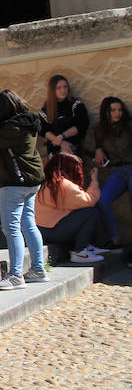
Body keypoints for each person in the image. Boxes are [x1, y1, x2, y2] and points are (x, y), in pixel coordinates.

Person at [0, 90, 47, 290]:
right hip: (31, 180)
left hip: (15, 182)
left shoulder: (13, 127)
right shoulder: (28, 122)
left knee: (12, 228)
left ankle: (16, 274)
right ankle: (38, 269)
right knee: (29, 223)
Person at [35, 152, 106, 263]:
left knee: (78, 212)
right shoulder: (63, 185)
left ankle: (87, 246)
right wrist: (94, 180)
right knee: (91, 213)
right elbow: (89, 201)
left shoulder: (43, 181)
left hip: (39, 231)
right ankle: (80, 252)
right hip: (53, 233)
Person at [94, 96, 132, 256]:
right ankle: (115, 240)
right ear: (107, 112)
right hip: (116, 170)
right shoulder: (100, 129)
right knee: (102, 201)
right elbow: (98, 147)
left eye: (120, 109)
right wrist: (98, 149)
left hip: (131, 167)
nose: (118, 113)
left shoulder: (129, 125)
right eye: (113, 110)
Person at [39, 74, 89, 157]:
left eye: (65, 87)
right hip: (55, 149)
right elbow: (44, 130)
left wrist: (62, 136)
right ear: (52, 90)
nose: (63, 90)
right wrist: (61, 142)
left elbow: (81, 125)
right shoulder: (45, 110)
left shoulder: (76, 105)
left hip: (73, 147)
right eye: (59, 88)